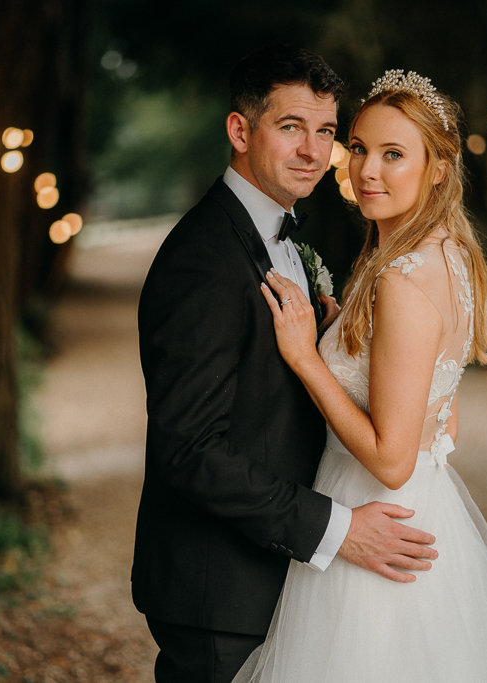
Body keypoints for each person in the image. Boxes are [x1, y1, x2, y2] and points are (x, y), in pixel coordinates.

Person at [132, 47, 439, 683]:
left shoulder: (288, 237)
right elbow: (188, 448)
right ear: (241, 131)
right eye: (291, 126)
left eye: (325, 132)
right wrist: (337, 528)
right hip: (220, 593)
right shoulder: (204, 259)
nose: (312, 151)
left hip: (280, 580)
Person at [233, 69, 487, 681]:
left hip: (377, 518)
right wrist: (345, 328)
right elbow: (443, 409)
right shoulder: (451, 255)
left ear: (439, 167)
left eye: (394, 155)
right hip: (427, 510)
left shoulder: (400, 279)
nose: (366, 171)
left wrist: (306, 357)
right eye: (360, 150)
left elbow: (392, 459)